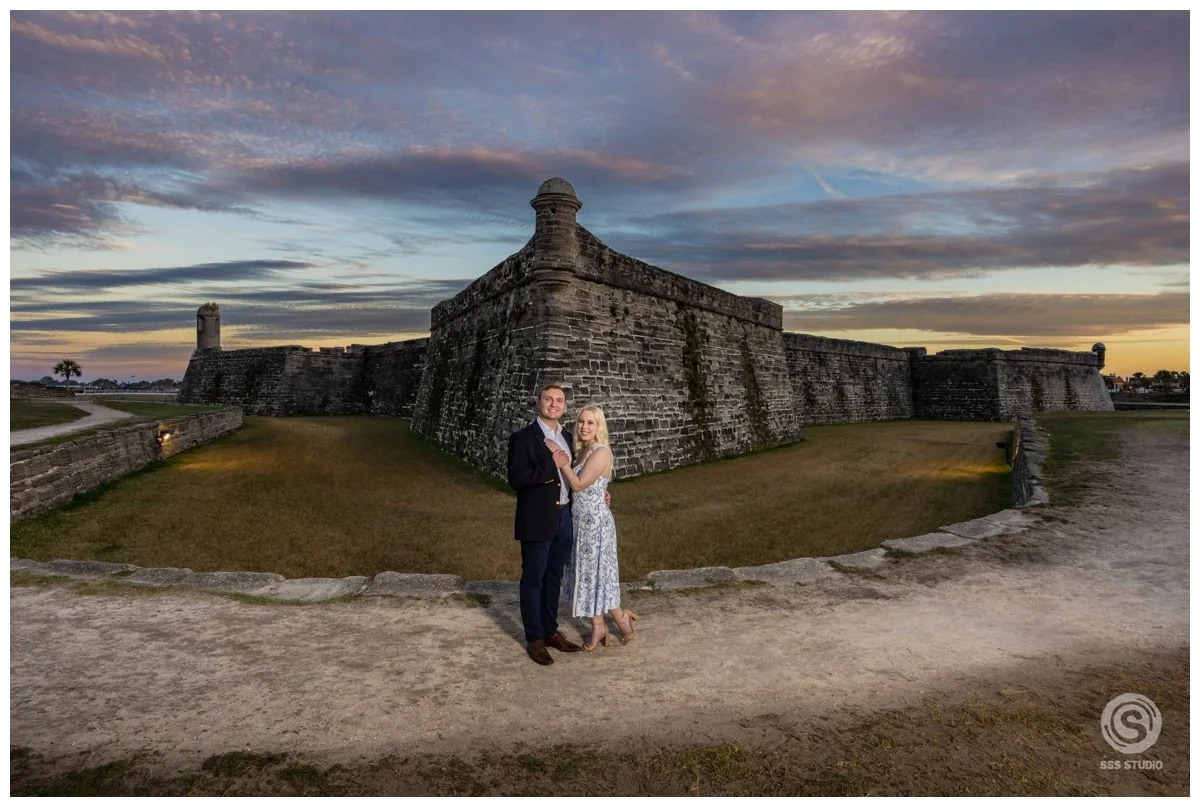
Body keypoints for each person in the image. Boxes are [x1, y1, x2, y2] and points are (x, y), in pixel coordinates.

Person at [546, 404, 638, 651]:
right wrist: (604, 491)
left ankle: (609, 623)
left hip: (596, 525)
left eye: (590, 423)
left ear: (599, 427)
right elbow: (593, 485)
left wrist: (561, 460)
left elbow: (577, 485)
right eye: (581, 422)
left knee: (597, 574)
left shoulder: (601, 452)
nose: (584, 427)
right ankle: (612, 621)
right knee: (590, 575)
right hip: (581, 522)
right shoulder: (585, 451)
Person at [507, 384, 584, 666]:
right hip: (538, 518)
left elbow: (574, 475)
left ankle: (551, 630)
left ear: (565, 406)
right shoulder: (523, 438)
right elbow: (517, 480)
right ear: (538, 402)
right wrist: (551, 464)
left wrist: (599, 492)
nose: (554, 404)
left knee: (554, 578)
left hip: (564, 515)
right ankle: (535, 638)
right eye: (548, 399)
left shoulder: (566, 436)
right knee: (534, 578)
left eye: (559, 400)